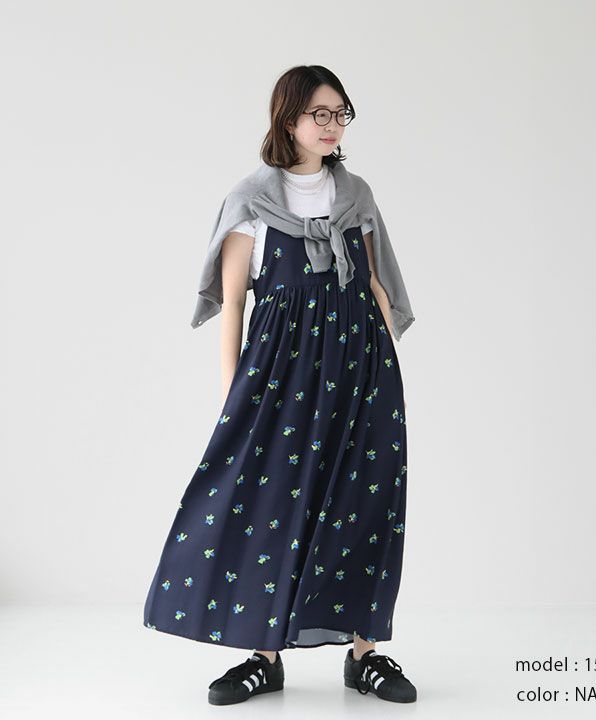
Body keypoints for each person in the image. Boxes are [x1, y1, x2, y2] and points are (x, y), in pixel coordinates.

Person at [143, 65, 417, 705]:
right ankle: (262, 657)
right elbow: (234, 304)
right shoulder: (250, 201)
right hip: (281, 375)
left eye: (341, 113)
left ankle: (365, 654)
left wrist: (389, 367)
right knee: (269, 506)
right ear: (288, 118)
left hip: (361, 367)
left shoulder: (357, 195)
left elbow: (374, 283)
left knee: (364, 503)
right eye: (321, 113)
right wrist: (231, 393)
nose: (333, 125)